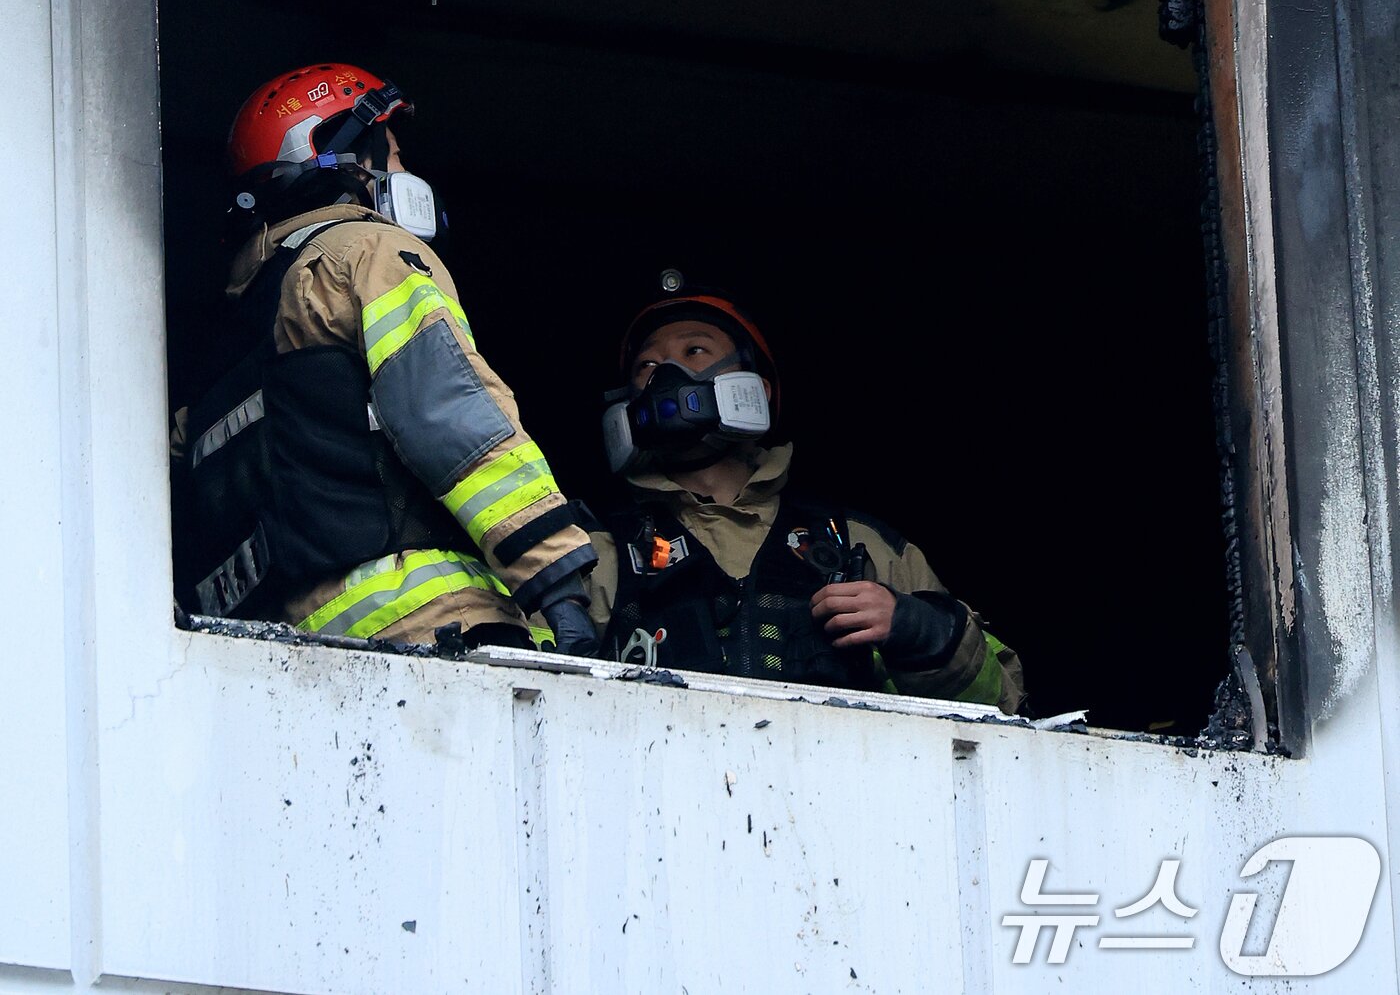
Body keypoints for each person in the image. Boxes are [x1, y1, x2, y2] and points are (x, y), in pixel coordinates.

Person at [178, 64, 596, 653]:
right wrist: (555, 574)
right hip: (432, 621)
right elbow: (451, 415)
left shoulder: (222, 342)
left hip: (277, 651)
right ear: (341, 159)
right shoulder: (364, 250)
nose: (403, 173)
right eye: (394, 156)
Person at [584, 272, 1024, 709]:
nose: (666, 376)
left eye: (694, 350)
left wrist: (921, 630)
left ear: (757, 388)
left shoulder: (857, 544)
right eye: (647, 366)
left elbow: (1007, 709)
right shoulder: (597, 553)